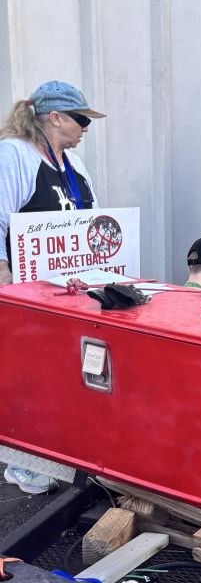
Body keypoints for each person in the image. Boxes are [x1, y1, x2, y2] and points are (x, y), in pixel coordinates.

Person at [0, 80, 105, 494]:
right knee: (29, 375)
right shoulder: (15, 155)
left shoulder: (73, 164)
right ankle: (22, 463)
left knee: (66, 374)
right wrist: (4, 277)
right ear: (55, 118)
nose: (86, 128)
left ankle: (61, 452)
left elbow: (94, 222)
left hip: (70, 291)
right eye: (81, 119)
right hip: (28, 293)